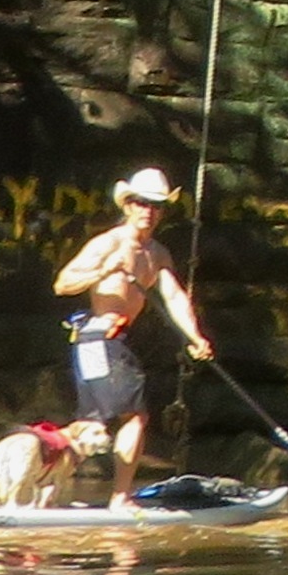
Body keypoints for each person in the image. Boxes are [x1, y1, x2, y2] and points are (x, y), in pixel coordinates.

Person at [51, 167, 213, 507]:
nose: (148, 211)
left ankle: (45, 487)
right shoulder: (109, 243)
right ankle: (120, 497)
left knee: (90, 424)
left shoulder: (157, 254)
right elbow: (63, 283)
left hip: (108, 342)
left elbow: (174, 298)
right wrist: (104, 270)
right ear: (127, 205)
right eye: (141, 203)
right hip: (98, 338)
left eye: (155, 205)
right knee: (135, 416)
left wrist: (195, 337)